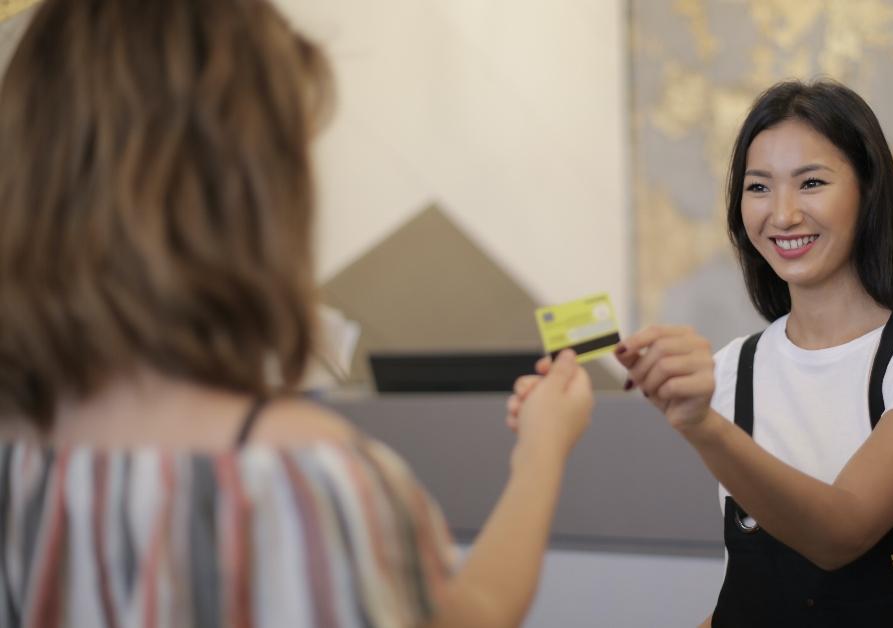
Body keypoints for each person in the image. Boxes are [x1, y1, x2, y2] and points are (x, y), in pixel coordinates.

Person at [0, 1, 591, 627]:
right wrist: (542, 450)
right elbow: (471, 615)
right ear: (250, 188)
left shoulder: (20, 454)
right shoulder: (309, 481)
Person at [517, 79, 893, 627]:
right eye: (759, 187)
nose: (783, 214)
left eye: (811, 182)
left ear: (869, 191)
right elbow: (748, 598)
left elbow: (842, 533)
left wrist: (702, 426)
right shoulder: (728, 370)